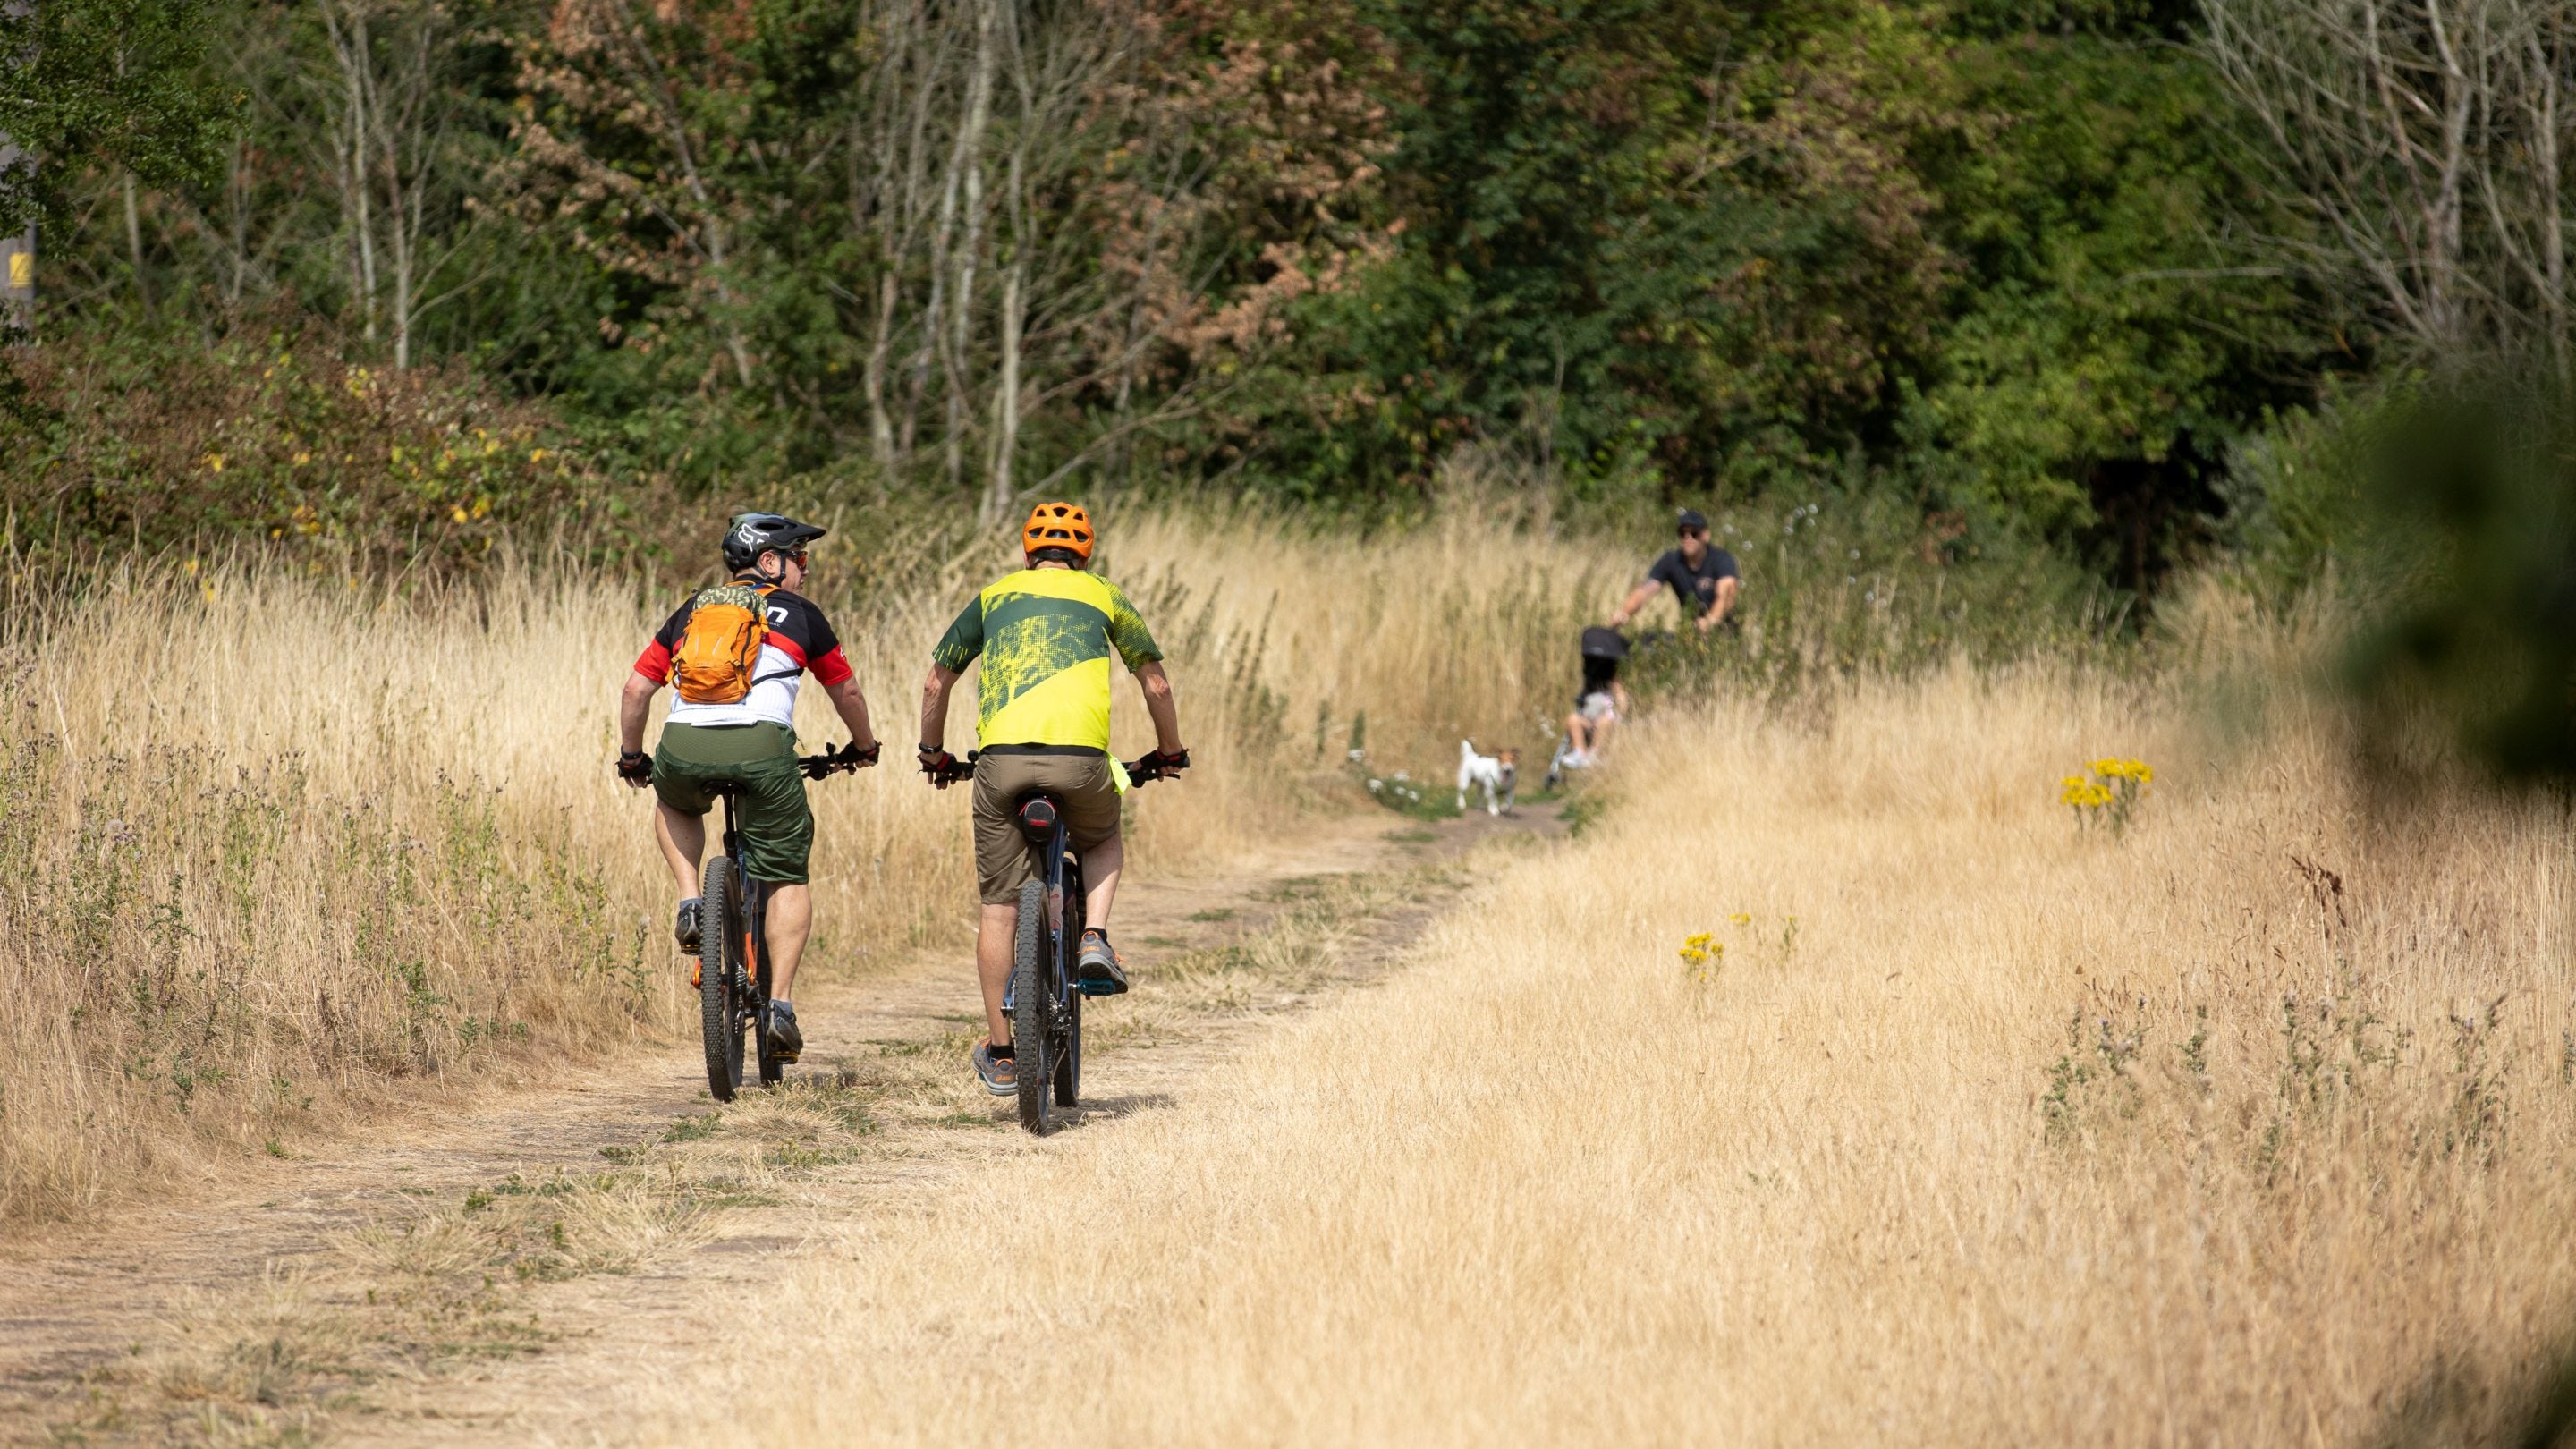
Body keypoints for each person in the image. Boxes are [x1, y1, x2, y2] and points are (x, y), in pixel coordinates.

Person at [917, 502, 1188, 1097]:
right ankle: (1093, 936)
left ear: (1027, 552)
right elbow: (1157, 682)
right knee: (1103, 835)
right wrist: (1169, 750)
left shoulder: (993, 597)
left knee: (999, 910)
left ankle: (1005, 1052)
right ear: (1085, 554)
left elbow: (938, 681)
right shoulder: (1104, 596)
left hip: (1001, 764)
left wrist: (932, 752)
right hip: (1082, 762)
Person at [615, 513, 882, 1063]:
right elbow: (846, 691)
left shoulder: (693, 610)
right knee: (785, 872)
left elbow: (636, 690)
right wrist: (864, 747)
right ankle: (780, 1006)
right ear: (769, 562)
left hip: (684, 744)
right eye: (798, 558)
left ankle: (691, 899)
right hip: (763, 752)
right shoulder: (802, 615)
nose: (805, 570)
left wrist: (633, 757)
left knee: (674, 800)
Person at [1608, 507, 1740, 634]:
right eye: (1683, 533)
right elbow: (1645, 590)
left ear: (1705, 536)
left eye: (1694, 533)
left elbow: (1727, 595)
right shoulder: (1671, 561)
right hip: (1690, 633)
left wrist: (1710, 621)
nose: (1688, 538)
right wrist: (1624, 613)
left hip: (1723, 633)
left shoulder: (1721, 559)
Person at [1563, 625, 1631, 767]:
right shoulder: (1590, 685)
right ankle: (1579, 752)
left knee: (1604, 721)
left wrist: (1621, 713)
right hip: (1589, 720)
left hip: (1606, 720)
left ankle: (1595, 753)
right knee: (1573, 719)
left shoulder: (1614, 683)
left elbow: (1621, 698)